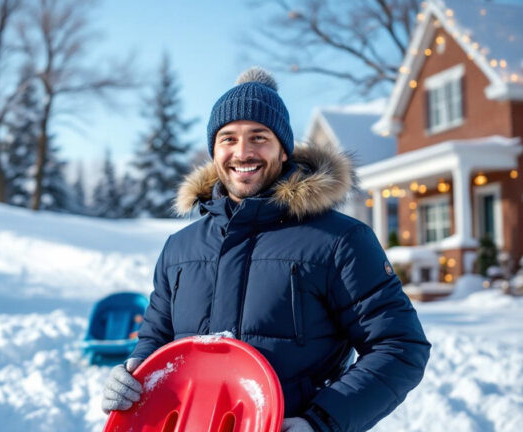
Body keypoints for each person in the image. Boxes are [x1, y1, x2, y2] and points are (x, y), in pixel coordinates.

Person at [101, 67, 431, 432]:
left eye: (259, 137)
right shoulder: (180, 248)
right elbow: (156, 341)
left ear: (283, 150)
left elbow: (400, 346)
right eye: (228, 138)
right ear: (213, 151)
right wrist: (134, 373)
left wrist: (319, 421)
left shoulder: (339, 241)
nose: (242, 152)